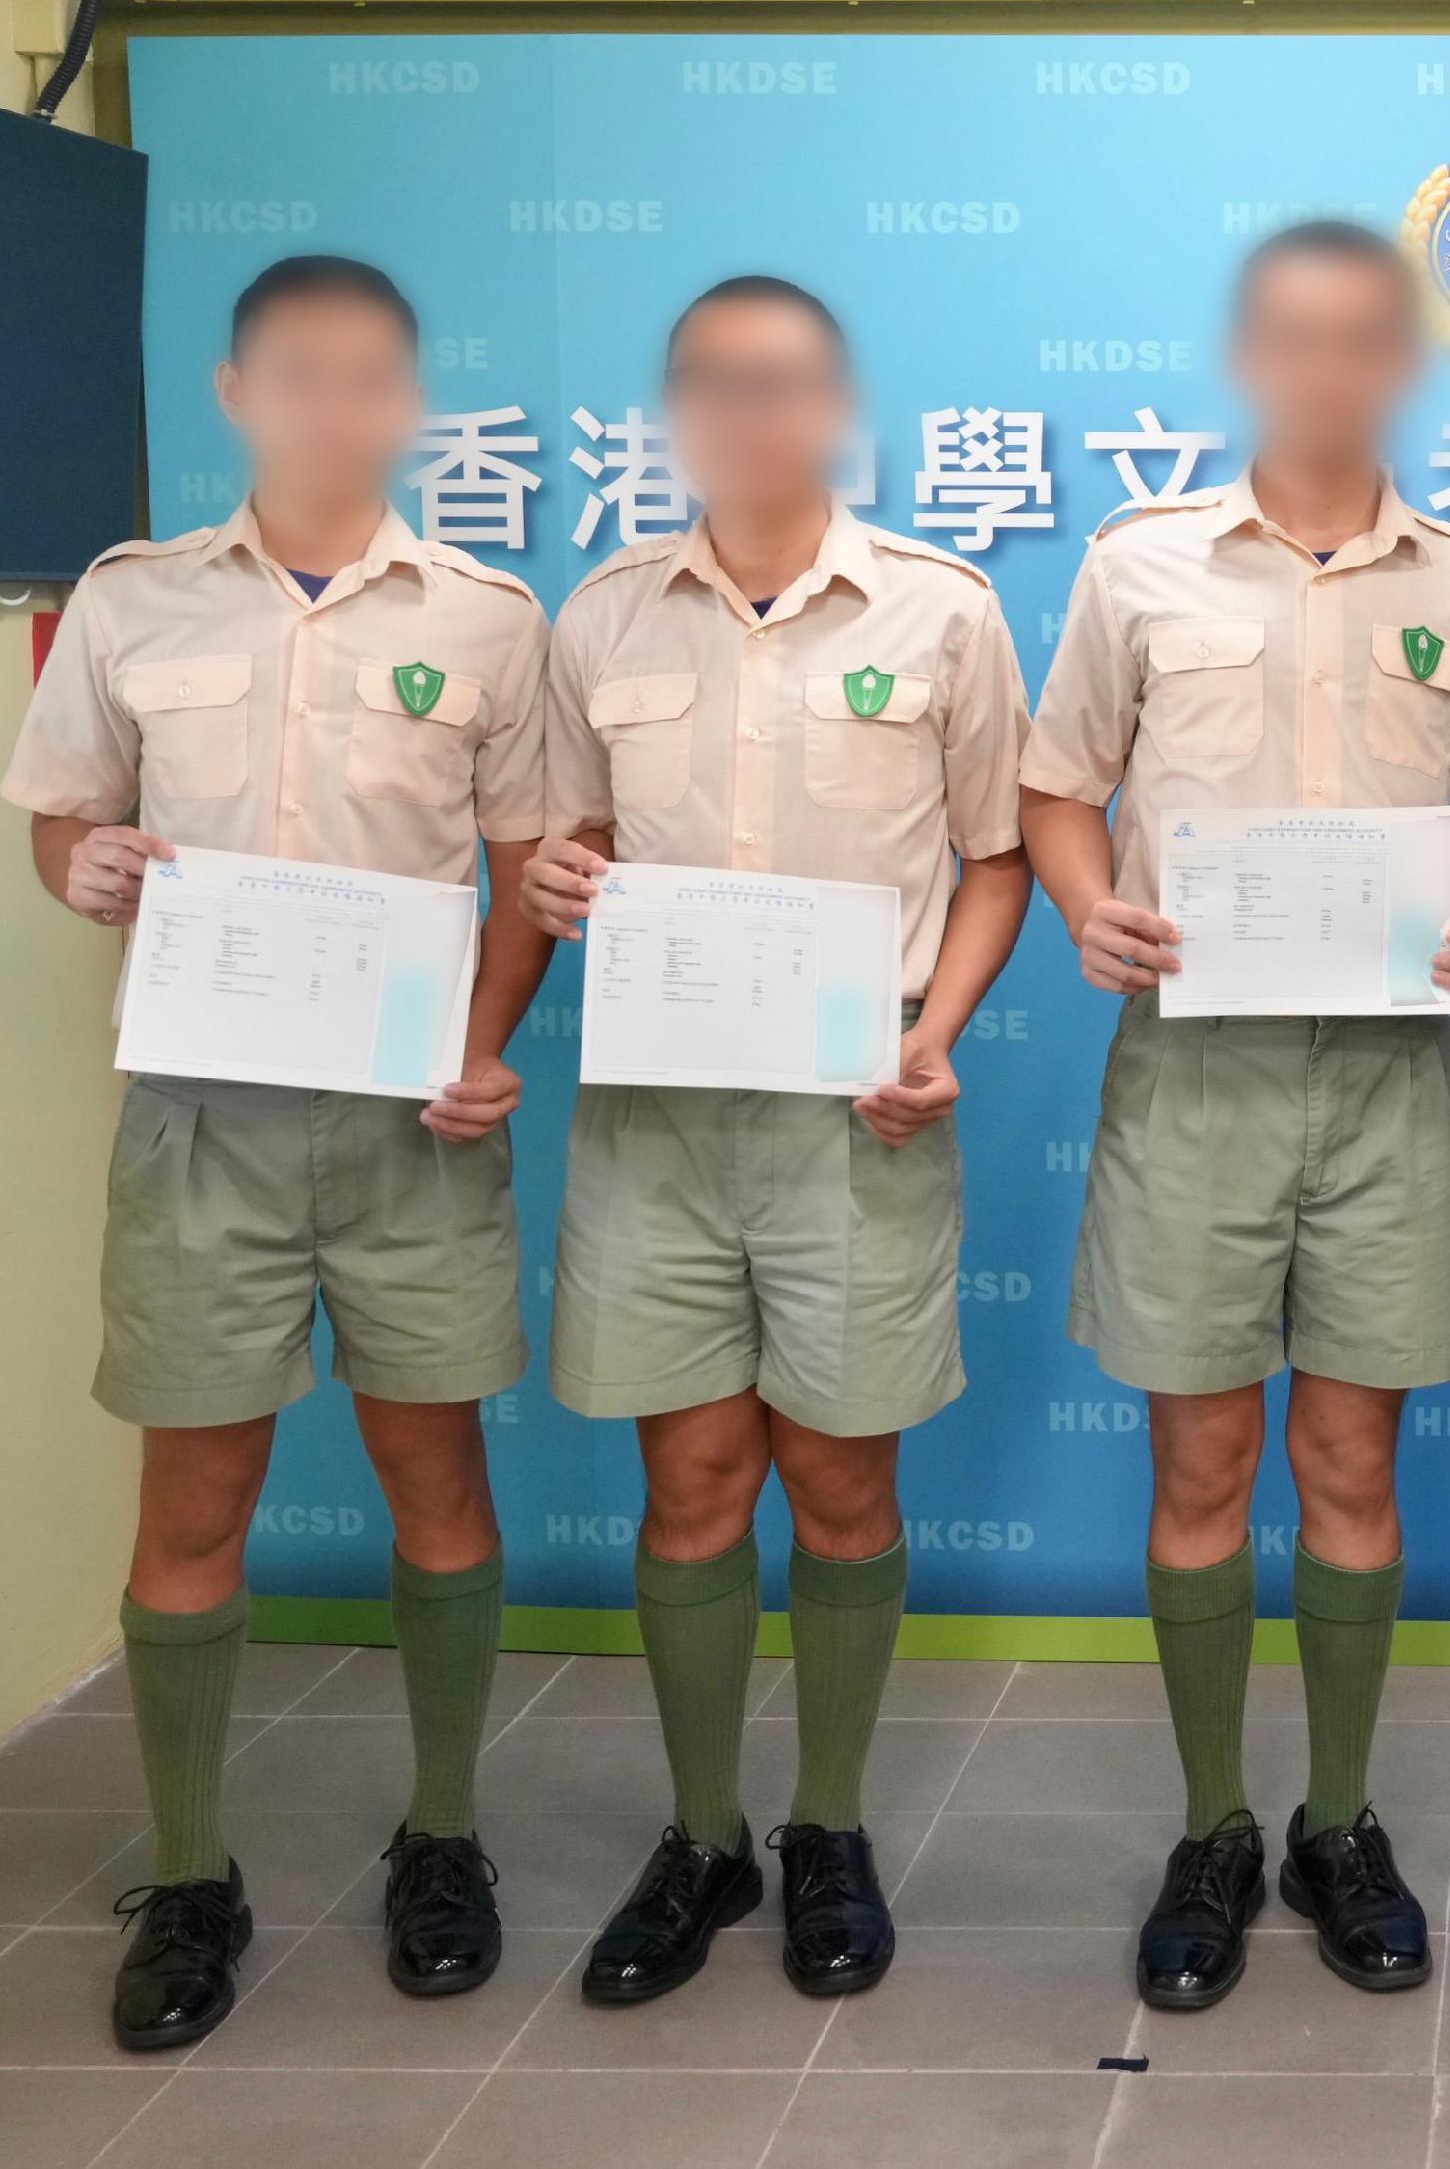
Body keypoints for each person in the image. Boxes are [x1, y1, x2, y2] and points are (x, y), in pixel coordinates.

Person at [2, 253, 553, 2051]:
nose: (334, 406)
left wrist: (483, 1047)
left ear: (411, 408)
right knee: (195, 1505)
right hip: (201, 1123)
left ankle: (447, 1832)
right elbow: (70, 821)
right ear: (236, 392)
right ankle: (187, 1870)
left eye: (370, 378)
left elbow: (537, 864)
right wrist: (74, 866)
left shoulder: (488, 617)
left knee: (439, 1486)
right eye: (297, 374)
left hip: (411, 1130)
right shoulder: (134, 599)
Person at [1020, 220, 1450, 2013]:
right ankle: (1215, 1822)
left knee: (1350, 1467)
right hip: (1193, 1069)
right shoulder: (1142, 564)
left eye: (1362, 343)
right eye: (1293, 340)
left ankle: (1337, 1814)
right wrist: (1089, 903)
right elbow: (1057, 781)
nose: (1328, 372)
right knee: (1205, 1470)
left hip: (1389, 1078)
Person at [517, 275, 1033, 2008]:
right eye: (712, 386)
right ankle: (701, 1829)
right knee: (692, 1483)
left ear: (834, 408)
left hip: (857, 1111)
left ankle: (826, 1824)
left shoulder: (945, 613)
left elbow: (997, 857)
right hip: (661, 1118)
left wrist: (936, 1030)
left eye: (783, 384)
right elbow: (561, 843)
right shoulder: (595, 618)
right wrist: (555, 880)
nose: (749, 414)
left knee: (840, 1478)